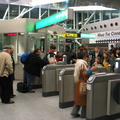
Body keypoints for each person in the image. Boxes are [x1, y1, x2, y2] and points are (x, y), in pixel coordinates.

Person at [71, 52, 97, 118]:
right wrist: (91, 69)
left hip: (79, 83)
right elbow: (84, 74)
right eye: (86, 57)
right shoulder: (82, 64)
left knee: (78, 99)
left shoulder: (78, 63)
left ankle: (74, 113)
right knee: (84, 100)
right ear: (84, 57)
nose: (87, 58)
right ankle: (83, 114)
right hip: (83, 83)